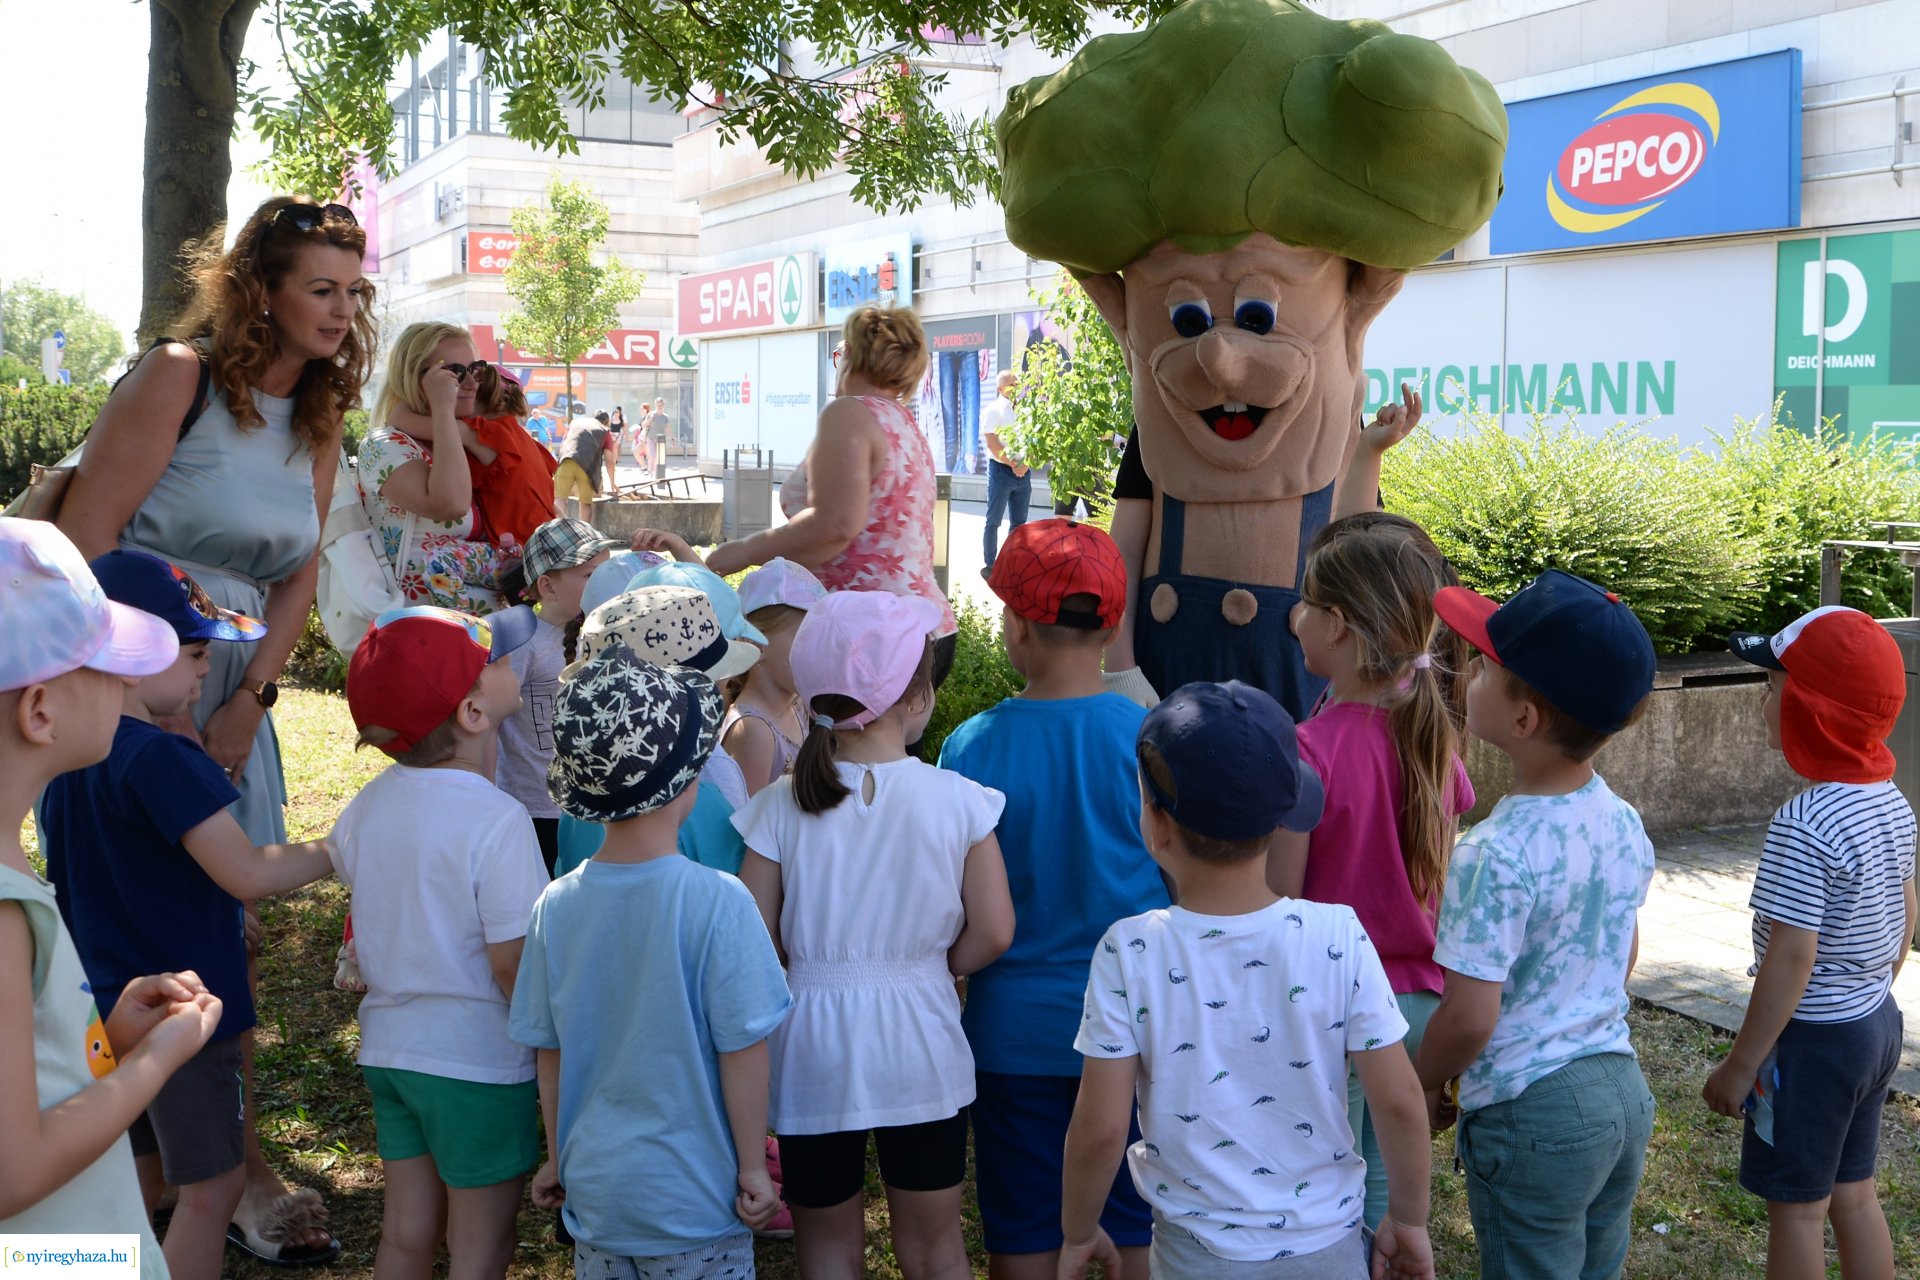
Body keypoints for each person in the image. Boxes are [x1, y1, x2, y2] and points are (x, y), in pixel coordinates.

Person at [55, 193, 373, 1260]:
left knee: (219, 919)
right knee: (127, 914)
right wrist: (149, 696)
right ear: (261, 290)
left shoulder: (322, 415)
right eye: (319, 287)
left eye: (351, 290)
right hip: (129, 676)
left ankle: (198, 1162)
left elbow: (297, 576)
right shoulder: (177, 378)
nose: (340, 310)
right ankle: (168, 1162)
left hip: (233, 689)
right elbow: (89, 545)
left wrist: (249, 700)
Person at [1059, 680, 1435, 1280]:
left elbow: (1102, 1127)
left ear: (1156, 827)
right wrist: (1410, 1221)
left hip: (1194, 1258)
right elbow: (1397, 1099)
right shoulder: (1339, 934)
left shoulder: (1129, 950)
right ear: (1283, 819)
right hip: (1328, 1251)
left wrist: (1079, 1231)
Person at [41, 551, 338, 1279]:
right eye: (197, 651)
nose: (208, 671)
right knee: (213, 1188)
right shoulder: (162, 758)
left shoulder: (69, 760)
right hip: (184, 1013)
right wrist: (341, 847)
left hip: (105, 1012)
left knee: (140, 1182)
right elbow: (245, 870)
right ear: (134, 655)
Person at [734, 590, 1014, 1279]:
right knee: (934, 1247)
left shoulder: (779, 804)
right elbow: (997, 929)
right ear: (917, 697)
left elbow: (751, 933)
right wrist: (940, 965)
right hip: (921, 1035)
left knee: (826, 1247)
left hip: (810, 1043)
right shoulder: (960, 802)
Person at [511, 647, 793, 1278]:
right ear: (688, 783)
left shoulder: (554, 906)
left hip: (596, 1195)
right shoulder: (721, 901)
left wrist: (555, 1159)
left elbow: (549, 1052)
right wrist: (754, 1165)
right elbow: (744, 1048)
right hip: (698, 1197)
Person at [935, 519, 1168, 1280]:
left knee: (1026, 1236)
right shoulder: (1150, 740)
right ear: (1112, 625)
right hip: (1135, 1032)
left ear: (1015, 627)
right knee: (1137, 1230)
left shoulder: (970, 747)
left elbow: (955, 904)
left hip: (1013, 1038)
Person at [1415, 570, 1658, 1280]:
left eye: (1486, 668)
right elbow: (1623, 948)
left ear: (1524, 720)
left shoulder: (1494, 851)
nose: (1471, 676)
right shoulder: (1620, 818)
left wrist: (1426, 1079)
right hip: (1620, 1095)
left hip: (1535, 1115)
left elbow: (1468, 1016)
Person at [0, 521, 221, 1279]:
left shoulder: (14, 872)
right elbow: (13, 1173)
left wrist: (108, 1044)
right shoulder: (2, 915)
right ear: (39, 712)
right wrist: (155, 1063)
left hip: (53, 1251)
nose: (124, 683)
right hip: (46, 1253)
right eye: (105, 666)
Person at [331, 604, 549, 1280]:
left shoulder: (365, 806)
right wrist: (560, 1040)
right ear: (473, 714)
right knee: (480, 1249)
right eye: (498, 662)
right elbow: (513, 963)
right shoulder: (501, 821)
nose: (512, 662)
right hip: (478, 1064)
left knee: (406, 1235)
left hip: (392, 1053)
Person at [1269, 513, 1473, 1231]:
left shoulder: (1306, 750)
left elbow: (1282, 900)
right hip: (1421, 1004)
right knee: (1389, 1191)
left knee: (1332, 1188)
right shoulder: (1433, 740)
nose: (1293, 617)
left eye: (1305, 604)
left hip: (1338, 1003)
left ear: (1340, 628)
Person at [1708, 607, 1917, 1280]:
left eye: (1774, 686)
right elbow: (1906, 917)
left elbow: (1790, 960)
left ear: (1810, 709)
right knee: (1853, 1195)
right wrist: (1874, 990)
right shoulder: (1892, 801)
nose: (1763, 701)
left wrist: (1742, 1065)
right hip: (1875, 1026)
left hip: (1815, 1042)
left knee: (1796, 1210)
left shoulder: (1804, 824)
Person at [705, 306, 958, 685]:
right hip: (917, 627)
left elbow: (834, 525)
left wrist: (743, 553)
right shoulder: (901, 420)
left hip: (870, 636)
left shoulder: (848, 413)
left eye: (839, 354)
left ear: (853, 357)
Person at [552, 586, 763, 878]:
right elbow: (737, 879)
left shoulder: (584, 793)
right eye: (720, 682)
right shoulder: (708, 780)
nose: (728, 686)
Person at [357, 322, 511, 615]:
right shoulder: (383, 444)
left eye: (475, 369)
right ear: (415, 379)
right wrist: (442, 408)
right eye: (454, 372)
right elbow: (449, 504)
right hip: (421, 631)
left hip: (487, 633)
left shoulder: (468, 440)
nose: (471, 383)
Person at [498, 518, 621, 873]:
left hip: (589, 801)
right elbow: (492, 718)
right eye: (590, 575)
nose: (604, 583)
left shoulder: (602, 635)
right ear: (548, 586)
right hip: (534, 806)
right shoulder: (525, 642)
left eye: (607, 571)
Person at [726, 559, 828, 797]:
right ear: (755, 644)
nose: (817, 650)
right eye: (804, 637)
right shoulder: (753, 731)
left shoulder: (797, 703)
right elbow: (748, 825)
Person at [979, 370, 1030, 577]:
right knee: (994, 521)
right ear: (1000, 388)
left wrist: (1026, 464)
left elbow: (1033, 438)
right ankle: (991, 566)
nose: (1016, 387)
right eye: (1011, 384)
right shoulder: (994, 410)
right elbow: (992, 443)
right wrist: (1014, 463)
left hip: (1023, 471)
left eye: (1017, 383)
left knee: (1019, 524)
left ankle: (1011, 563)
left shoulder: (1026, 410)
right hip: (1001, 471)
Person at [554, 406, 617, 513]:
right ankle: (583, 528)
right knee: (585, 503)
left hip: (566, 461)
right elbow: (609, 461)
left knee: (560, 498)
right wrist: (613, 483)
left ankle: (557, 527)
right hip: (586, 468)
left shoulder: (576, 423)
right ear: (606, 422)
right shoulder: (604, 431)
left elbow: (563, 445)